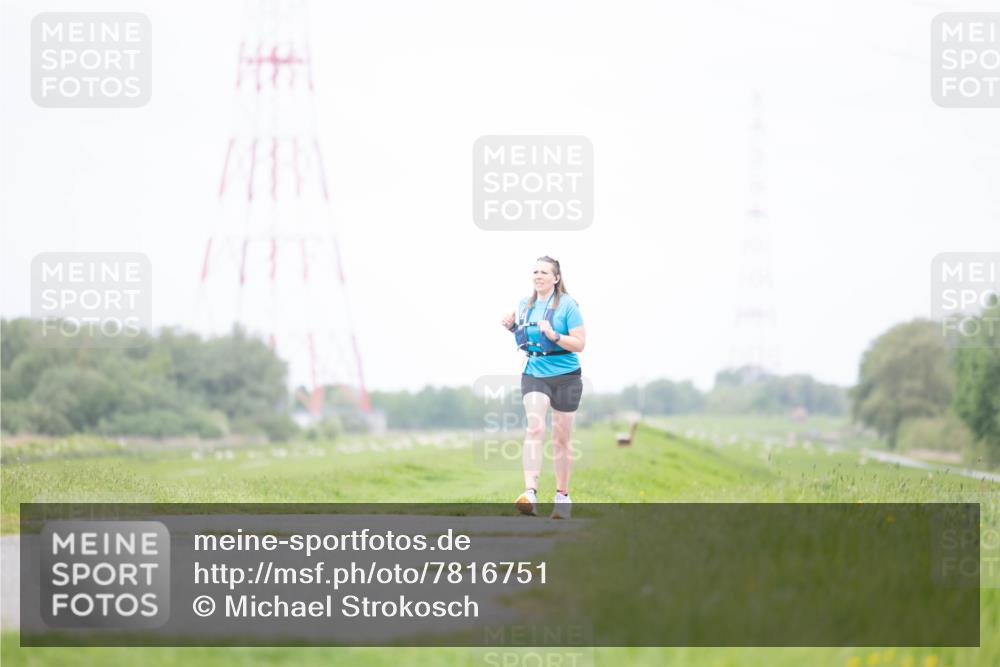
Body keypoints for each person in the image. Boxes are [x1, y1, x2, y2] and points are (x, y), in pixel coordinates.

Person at [500, 256, 586, 519]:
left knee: (560, 439)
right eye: (535, 271)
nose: (538, 276)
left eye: (544, 272)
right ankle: (530, 493)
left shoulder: (569, 305)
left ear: (556, 278)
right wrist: (512, 326)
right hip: (535, 372)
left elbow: (580, 344)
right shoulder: (524, 305)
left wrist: (555, 336)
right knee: (535, 427)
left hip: (566, 376)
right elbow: (525, 337)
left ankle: (562, 497)